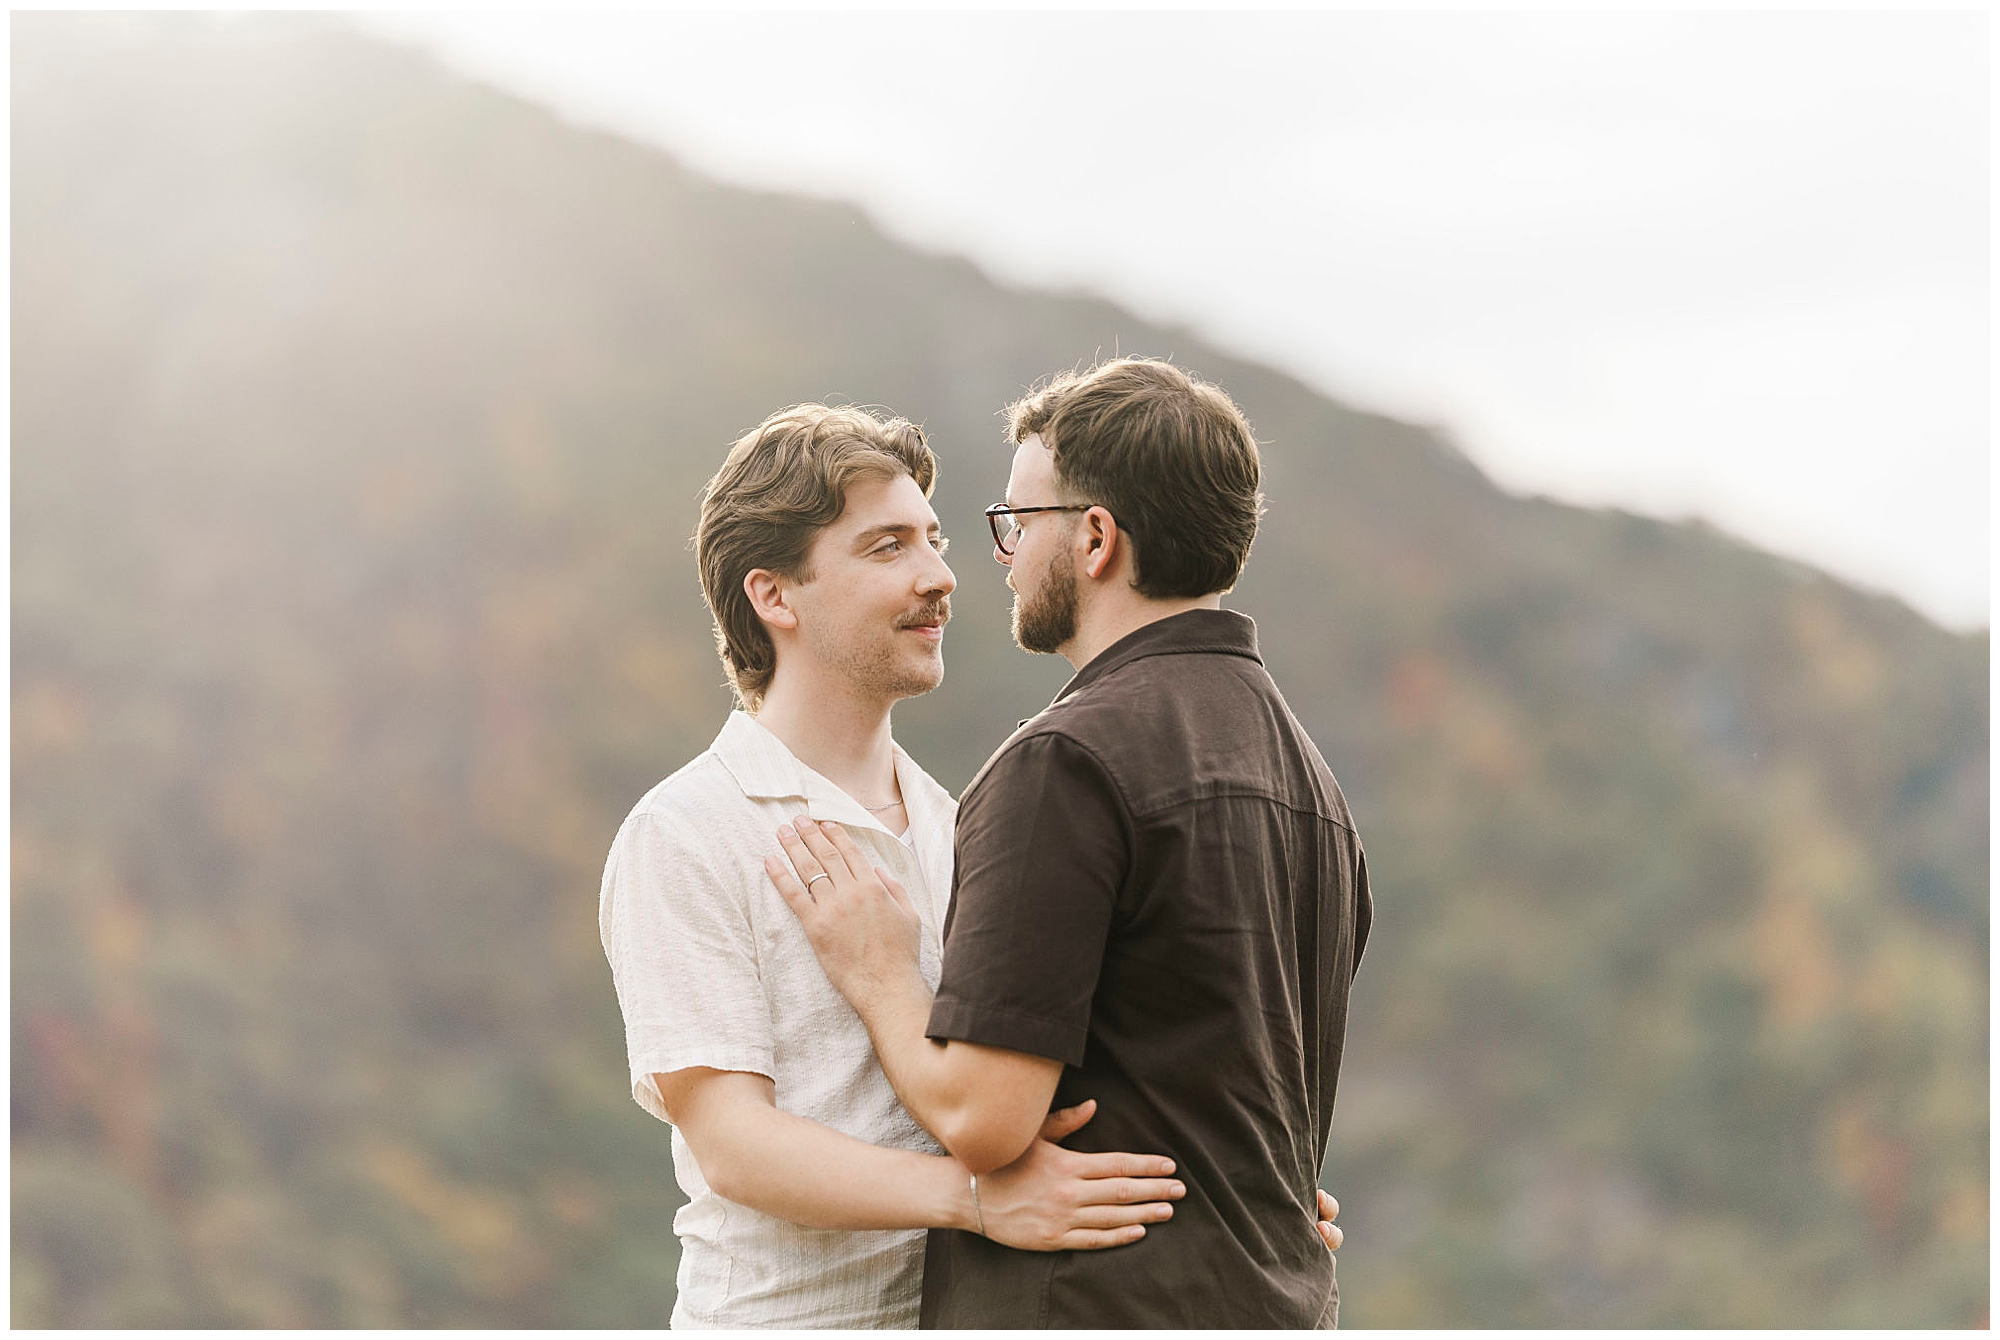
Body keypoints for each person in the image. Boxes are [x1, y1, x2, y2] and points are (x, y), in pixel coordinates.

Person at [598, 402, 1340, 1328]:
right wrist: (975, 1199)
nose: (942, 576)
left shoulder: (966, 822)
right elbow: (734, 1148)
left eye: (937, 540)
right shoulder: (688, 829)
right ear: (775, 596)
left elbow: (1083, 1068)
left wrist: (1229, 1196)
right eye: (887, 549)